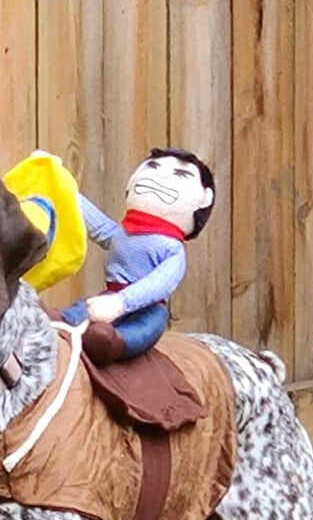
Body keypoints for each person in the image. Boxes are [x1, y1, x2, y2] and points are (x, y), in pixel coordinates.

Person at [61, 148, 216, 365]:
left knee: (141, 332)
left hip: (148, 310)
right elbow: (97, 225)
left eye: (180, 175)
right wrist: (64, 190)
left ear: (204, 198)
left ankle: (112, 344)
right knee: (73, 314)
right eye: (153, 167)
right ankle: (59, 326)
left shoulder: (173, 249)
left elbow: (159, 284)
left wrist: (121, 303)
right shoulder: (123, 233)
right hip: (106, 298)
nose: (160, 176)